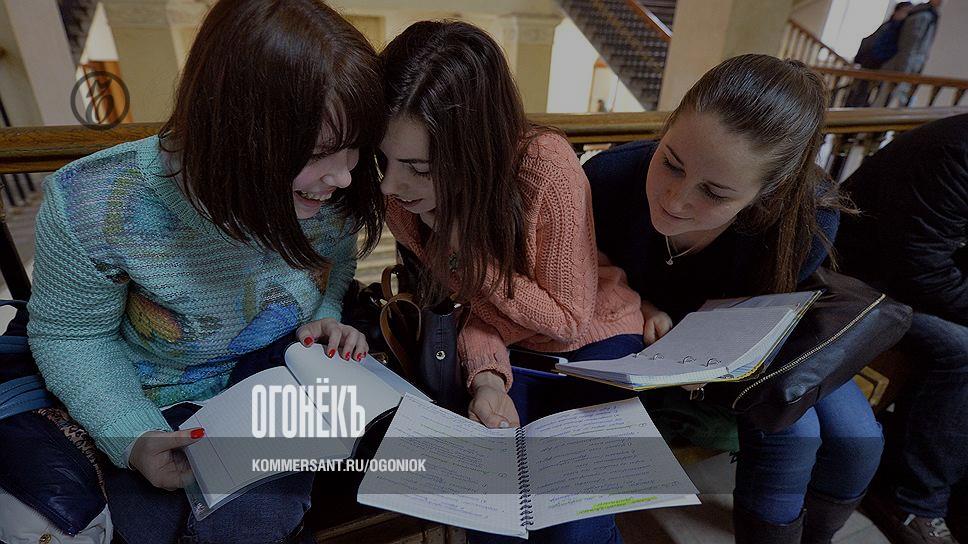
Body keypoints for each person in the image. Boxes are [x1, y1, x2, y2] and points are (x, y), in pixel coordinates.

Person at [26, 0, 385, 541]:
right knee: (145, 525)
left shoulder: (332, 196)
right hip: (147, 395)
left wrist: (327, 314)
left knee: (256, 519)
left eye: (354, 148)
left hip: (275, 378)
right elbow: (71, 335)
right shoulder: (95, 203)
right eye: (317, 153)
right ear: (232, 132)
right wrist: (132, 435)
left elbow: (333, 264)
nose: (344, 177)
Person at [583, 54, 885, 544]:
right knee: (795, 434)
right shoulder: (608, 180)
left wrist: (712, 352)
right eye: (670, 163)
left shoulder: (806, 220)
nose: (675, 199)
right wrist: (638, 303)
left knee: (858, 439)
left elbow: (758, 320)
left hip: (752, 344)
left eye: (715, 193)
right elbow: (580, 273)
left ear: (768, 192)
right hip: (641, 346)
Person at [377, 20, 644, 544]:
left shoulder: (546, 169)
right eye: (383, 160)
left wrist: (463, 252)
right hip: (507, 348)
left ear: (477, 148)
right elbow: (468, 311)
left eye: (418, 167)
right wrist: (487, 379)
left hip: (596, 339)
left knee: (575, 524)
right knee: (493, 515)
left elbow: (567, 320)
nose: (390, 185)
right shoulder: (405, 203)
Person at [836, 113, 967, 544]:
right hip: (858, 282)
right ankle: (913, 500)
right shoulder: (955, 154)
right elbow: (920, 269)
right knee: (963, 350)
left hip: (918, 281)